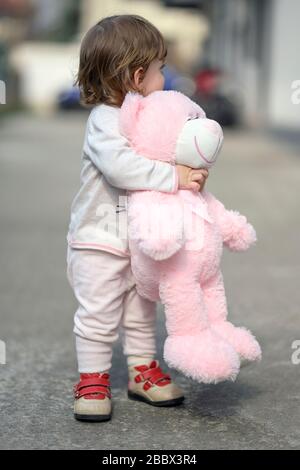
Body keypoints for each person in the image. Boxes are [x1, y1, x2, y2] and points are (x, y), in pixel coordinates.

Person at [67, 14, 209, 422]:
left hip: (141, 239)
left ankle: (141, 371)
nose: (165, 76)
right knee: (97, 314)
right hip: (99, 238)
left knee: (141, 311)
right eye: (161, 69)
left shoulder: (149, 118)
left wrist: (193, 164)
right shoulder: (105, 121)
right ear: (136, 74)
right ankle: (92, 379)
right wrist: (174, 178)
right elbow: (121, 168)